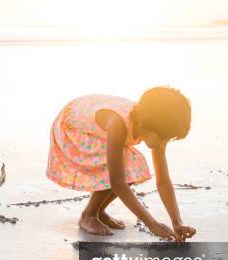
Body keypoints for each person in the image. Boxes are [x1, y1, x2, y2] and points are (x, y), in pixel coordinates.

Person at [46, 87, 196, 242]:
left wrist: (177, 222)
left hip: (93, 124)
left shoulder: (152, 126)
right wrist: (152, 224)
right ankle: (88, 215)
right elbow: (117, 183)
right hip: (73, 127)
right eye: (163, 137)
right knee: (123, 167)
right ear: (148, 125)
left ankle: (99, 210)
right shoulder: (118, 124)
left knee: (132, 168)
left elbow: (163, 182)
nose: (164, 143)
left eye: (168, 138)